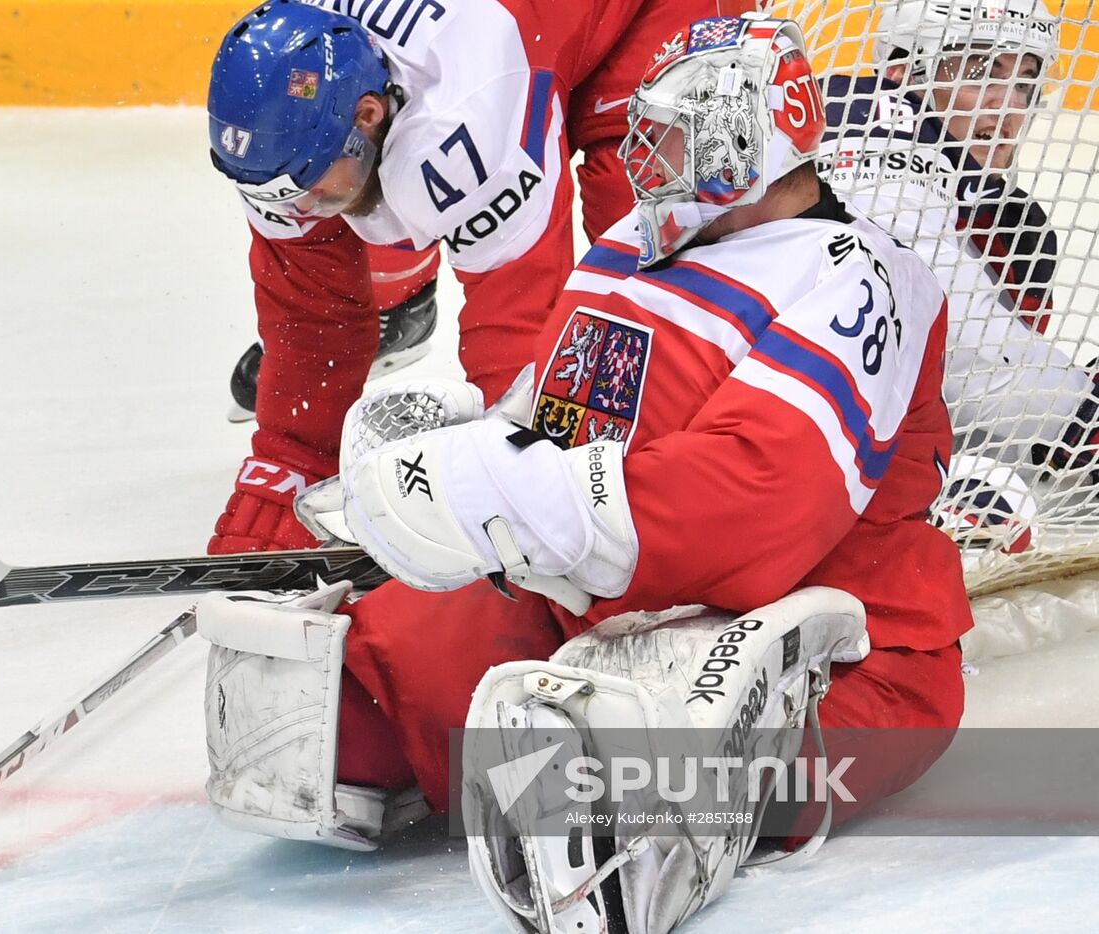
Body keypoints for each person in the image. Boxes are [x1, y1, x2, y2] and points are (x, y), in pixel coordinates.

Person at [195, 13, 971, 932]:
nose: (652, 156)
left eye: (683, 132)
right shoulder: (631, 248)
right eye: (652, 129)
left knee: (645, 766)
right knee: (339, 708)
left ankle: (668, 796)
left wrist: (507, 491)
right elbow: (551, 413)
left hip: (820, 622)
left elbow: (750, 507)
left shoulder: (860, 278)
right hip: (598, 589)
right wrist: (446, 459)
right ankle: (564, 730)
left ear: (756, 138)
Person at [204, 0, 719, 554]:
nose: (300, 205)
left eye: (308, 182)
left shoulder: (462, 115)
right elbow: (313, 309)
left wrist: (512, 475)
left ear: (369, 114)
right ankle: (402, 294)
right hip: (508, 47)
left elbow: (519, 323)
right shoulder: (292, 121)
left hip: (644, 16)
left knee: (650, 237)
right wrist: (292, 457)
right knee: (360, 219)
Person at [817, 0, 1094, 551]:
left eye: (1023, 81)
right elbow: (967, 354)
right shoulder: (859, 118)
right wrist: (1078, 417)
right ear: (900, 68)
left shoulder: (1013, 227)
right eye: (977, 72)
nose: (1005, 106)